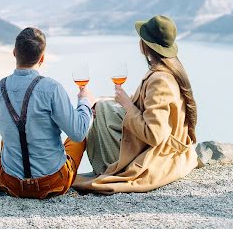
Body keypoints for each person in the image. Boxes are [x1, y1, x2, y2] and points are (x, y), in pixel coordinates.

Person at [74, 15, 198, 193]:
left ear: (145, 45)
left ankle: (107, 168)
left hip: (157, 158)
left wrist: (127, 105)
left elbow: (155, 135)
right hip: (168, 150)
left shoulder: (160, 80)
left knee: (103, 113)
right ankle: (108, 161)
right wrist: (105, 102)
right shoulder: (168, 71)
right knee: (102, 107)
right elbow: (148, 104)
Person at [0, 26, 95, 199]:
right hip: (52, 183)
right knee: (79, 134)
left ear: (14, 53)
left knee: (8, 135)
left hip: (11, 184)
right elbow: (78, 133)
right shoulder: (52, 88)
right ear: (42, 58)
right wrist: (84, 101)